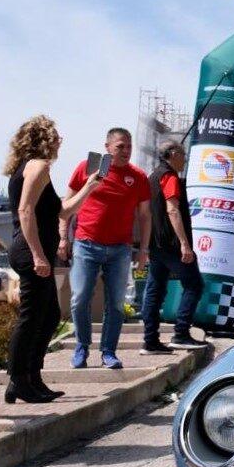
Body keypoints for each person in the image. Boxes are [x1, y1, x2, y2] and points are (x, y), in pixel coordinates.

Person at [4, 116, 100, 403]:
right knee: (33, 317)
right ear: (44, 139)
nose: (60, 141)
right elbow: (25, 211)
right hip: (31, 252)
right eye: (56, 136)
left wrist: (89, 186)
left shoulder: (35, 168)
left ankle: (31, 378)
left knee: (48, 317)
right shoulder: (38, 166)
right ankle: (19, 380)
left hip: (37, 251)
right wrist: (37, 254)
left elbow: (62, 211)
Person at [62, 128, 151, 370]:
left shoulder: (139, 176)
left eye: (129, 146)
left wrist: (143, 250)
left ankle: (108, 352)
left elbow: (144, 216)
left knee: (116, 303)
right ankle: (81, 346)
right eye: (120, 146)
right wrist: (63, 238)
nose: (126, 151)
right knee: (80, 298)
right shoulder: (87, 168)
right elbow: (66, 206)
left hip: (120, 249)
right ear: (108, 147)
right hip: (86, 243)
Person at [140, 141, 207, 354]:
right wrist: (185, 244)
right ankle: (181, 333)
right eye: (183, 154)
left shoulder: (151, 177)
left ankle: (150, 341)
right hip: (171, 243)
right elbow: (172, 210)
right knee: (194, 284)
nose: (185, 158)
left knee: (155, 289)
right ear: (173, 154)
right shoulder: (169, 177)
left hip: (155, 243)